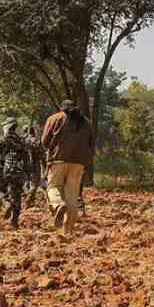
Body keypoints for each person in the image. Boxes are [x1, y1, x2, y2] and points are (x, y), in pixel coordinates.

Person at [41, 100, 94, 236]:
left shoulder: (55, 119)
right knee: (72, 197)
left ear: (62, 108)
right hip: (79, 163)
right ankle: (67, 232)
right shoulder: (86, 122)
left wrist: (50, 152)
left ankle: (58, 204)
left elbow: (44, 141)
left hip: (58, 160)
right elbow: (91, 145)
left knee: (53, 187)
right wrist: (86, 163)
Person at [0, 117, 29, 229]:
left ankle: (7, 203)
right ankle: (14, 222)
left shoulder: (1, 140)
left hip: (5, 170)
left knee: (0, 191)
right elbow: (26, 158)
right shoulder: (22, 141)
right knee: (17, 195)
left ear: (7, 127)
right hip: (19, 171)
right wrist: (27, 173)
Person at [24, 125, 45, 207]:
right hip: (34, 164)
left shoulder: (24, 141)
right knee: (35, 183)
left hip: (25, 164)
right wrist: (44, 164)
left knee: (28, 182)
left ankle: (30, 200)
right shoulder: (36, 141)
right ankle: (28, 200)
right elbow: (42, 154)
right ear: (34, 132)